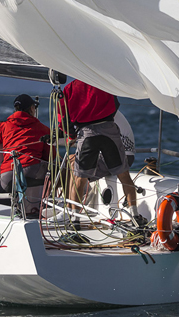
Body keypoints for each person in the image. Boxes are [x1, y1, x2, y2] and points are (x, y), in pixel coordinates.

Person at [58, 79, 139, 221]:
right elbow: (115, 104)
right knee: (124, 175)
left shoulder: (69, 89)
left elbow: (63, 119)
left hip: (87, 133)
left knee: (79, 179)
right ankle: (135, 216)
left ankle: (74, 221)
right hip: (108, 129)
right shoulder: (102, 80)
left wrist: (71, 135)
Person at [0, 94, 51, 192]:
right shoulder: (43, 129)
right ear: (31, 109)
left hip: (8, 173)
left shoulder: (4, 126)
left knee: (0, 202)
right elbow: (49, 155)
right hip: (32, 171)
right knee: (58, 171)